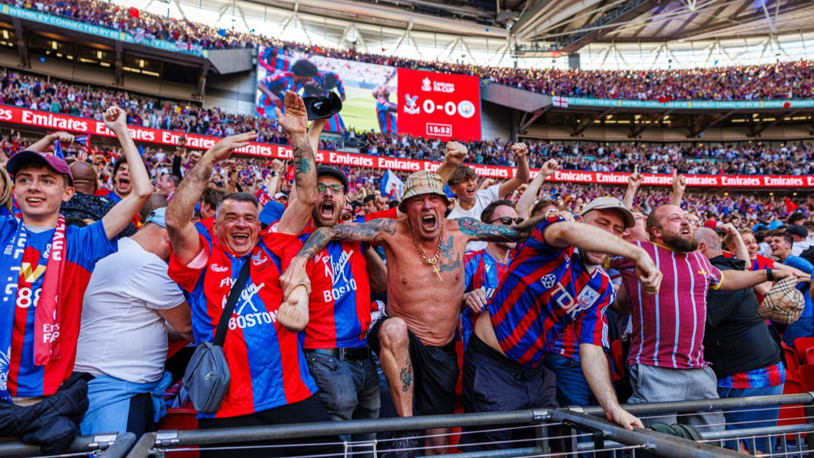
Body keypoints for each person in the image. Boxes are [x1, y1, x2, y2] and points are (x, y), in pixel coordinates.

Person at [280, 170, 546, 455]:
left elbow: (518, 233)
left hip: (440, 350)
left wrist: (551, 219)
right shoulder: (391, 231)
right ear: (406, 209)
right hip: (400, 336)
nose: (427, 206)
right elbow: (328, 231)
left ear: (445, 205)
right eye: (418, 201)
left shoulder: (463, 228)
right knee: (394, 329)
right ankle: (406, 428)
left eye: (434, 199)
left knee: (438, 445)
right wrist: (299, 262)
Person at [165, 91, 339, 458]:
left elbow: (306, 198)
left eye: (250, 219)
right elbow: (175, 219)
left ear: (260, 227)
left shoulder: (273, 246)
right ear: (214, 226)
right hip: (225, 408)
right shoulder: (202, 258)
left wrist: (297, 134)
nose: (242, 224)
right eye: (231, 217)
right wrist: (210, 158)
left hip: (292, 396)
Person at [0, 106, 150, 448]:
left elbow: (140, 192)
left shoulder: (81, 243)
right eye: (25, 180)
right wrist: (47, 141)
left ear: (68, 193)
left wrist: (121, 130)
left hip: (47, 401)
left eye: (47, 180)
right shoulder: (3, 230)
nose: (34, 188)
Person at [458, 197, 659, 452]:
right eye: (602, 223)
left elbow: (592, 348)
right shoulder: (554, 239)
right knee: (497, 451)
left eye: (617, 230)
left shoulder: (602, 286)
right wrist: (636, 252)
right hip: (492, 367)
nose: (608, 234)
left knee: (551, 447)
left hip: (536, 373)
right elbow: (567, 231)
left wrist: (613, 408)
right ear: (582, 220)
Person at [611, 204, 795, 430]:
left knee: (711, 442)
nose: (686, 222)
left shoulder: (697, 260)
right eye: (676, 219)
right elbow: (592, 250)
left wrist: (768, 273)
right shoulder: (638, 252)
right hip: (656, 370)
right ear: (656, 232)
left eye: (686, 217)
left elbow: (726, 280)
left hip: (698, 369)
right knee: (661, 444)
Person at [76, 207, 192, 437]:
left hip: (106, 385)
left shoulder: (116, 250)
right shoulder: (146, 264)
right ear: (169, 237)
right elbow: (187, 326)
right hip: (117, 393)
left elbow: (139, 319)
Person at [298, 164, 387, 450]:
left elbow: (382, 282)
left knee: (367, 440)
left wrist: (364, 243)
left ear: (344, 201)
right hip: (324, 357)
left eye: (335, 190)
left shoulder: (355, 242)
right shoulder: (299, 244)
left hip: (363, 354)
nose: (328, 194)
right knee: (339, 444)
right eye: (320, 188)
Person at [696, 228, 785, 455]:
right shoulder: (731, 269)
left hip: (747, 376)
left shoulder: (721, 275)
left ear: (701, 248)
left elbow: (703, 320)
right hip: (759, 369)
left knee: (742, 446)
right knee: (757, 445)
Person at [444, 142, 529, 251]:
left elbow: (521, 178)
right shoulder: (453, 221)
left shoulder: (487, 195)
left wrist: (521, 158)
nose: (471, 183)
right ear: (453, 189)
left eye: (473, 179)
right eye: (464, 181)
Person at [461, 200, 519, 349]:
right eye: (506, 221)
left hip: (516, 357)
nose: (513, 226)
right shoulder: (471, 261)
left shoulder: (522, 264)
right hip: (479, 358)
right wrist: (467, 297)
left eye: (517, 221)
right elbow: (447, 301)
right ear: (488, 228)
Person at [769, 232, 814, 345]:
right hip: (798, 314)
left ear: (788, 245)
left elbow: (812, 270)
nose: (772, 244)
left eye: (777, 241)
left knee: (788, 349)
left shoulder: (792, 259)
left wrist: (803, 279)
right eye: (771, 242)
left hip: (804, 315)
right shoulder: (782, 263)